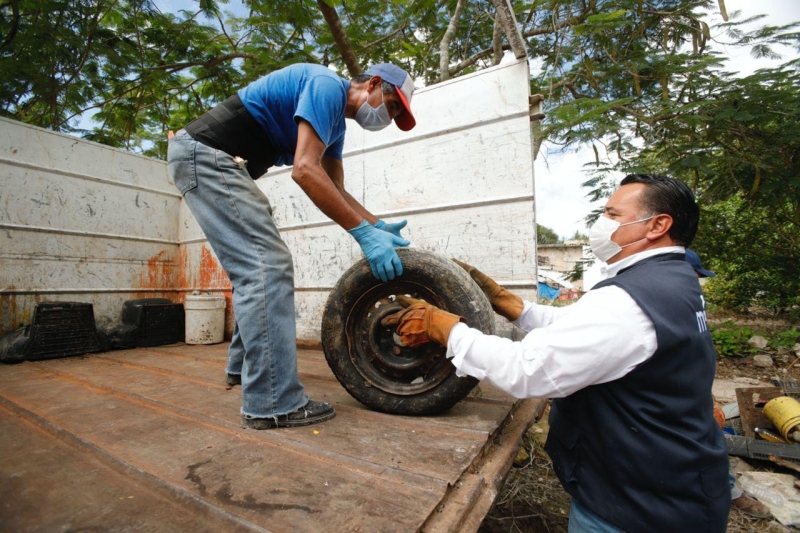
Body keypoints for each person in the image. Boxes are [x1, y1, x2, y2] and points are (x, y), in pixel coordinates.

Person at [383, 174, 730, 531]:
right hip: (669, 486)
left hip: (637, 511)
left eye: (612, 214)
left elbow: (526, 370)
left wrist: (442, 327)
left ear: (658, 225)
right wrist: (509, 304)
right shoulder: (671, 280)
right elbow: (584, 329)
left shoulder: (628, 301)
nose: (602, 223)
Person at [167, 63, 416, 429]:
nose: (387, 117)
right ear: (375, 84)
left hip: (218, 162)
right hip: (207, 155)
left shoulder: (335, 126)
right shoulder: (327, 86)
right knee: (265, 266)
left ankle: (241, 368)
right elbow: (304, 170)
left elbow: (335, 188)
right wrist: (362, 234)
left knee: (256, 266)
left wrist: (377, 225)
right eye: (392, 106)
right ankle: (272, 402)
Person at [687, 250, 771, 519]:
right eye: (695, 277)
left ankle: (729, 490)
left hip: (691, 389)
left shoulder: (693, 305)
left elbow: (697, 356)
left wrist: (708, 396)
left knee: (711, 435)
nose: (696, 283)